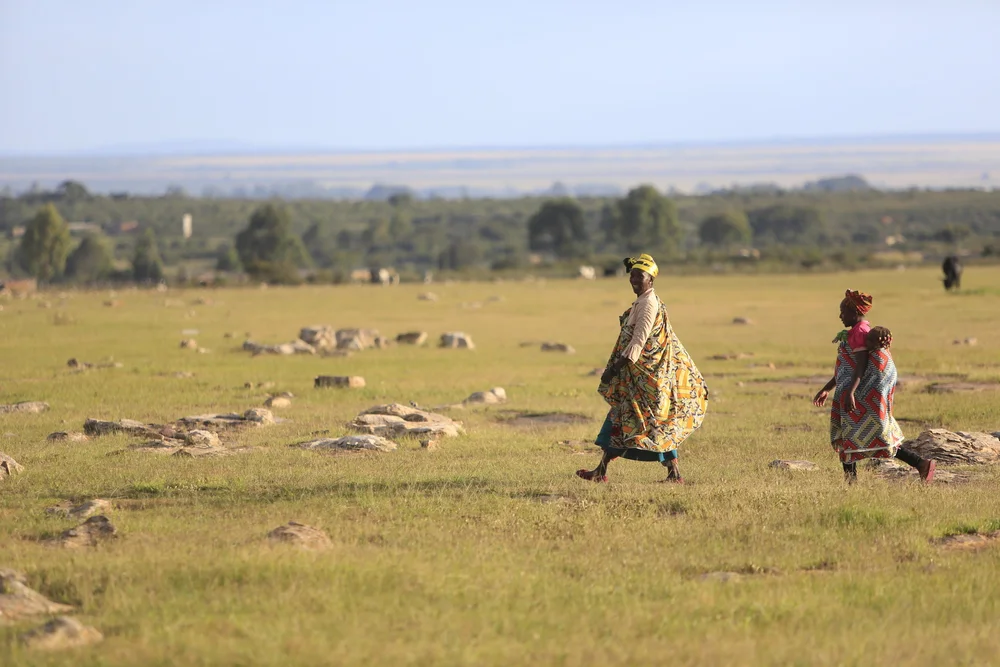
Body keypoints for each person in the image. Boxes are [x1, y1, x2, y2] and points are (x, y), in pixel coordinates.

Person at [576, 253, 709, 484]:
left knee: (648, 425)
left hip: (644, 379)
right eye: (632, 275)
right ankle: (601, 472)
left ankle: (671, 474)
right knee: (626, 422)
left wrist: (614, 368)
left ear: (651, 279)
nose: (634, 280)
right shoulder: (643, 301)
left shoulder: (648, 304)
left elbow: (639, 342)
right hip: (636, 379)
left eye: (640, 276)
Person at [812, 291, 936, 483]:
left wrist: (850, 392)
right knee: (862, 433)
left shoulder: (859, 332)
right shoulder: (857, 330)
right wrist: (828, 388)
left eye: (843, 312)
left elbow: (859, 366)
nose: (840, 316)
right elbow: (846, 368)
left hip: (857, 391)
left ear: (854, 312)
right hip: (854, 389)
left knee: (858, 432)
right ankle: (919, 464)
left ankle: (852, 481)